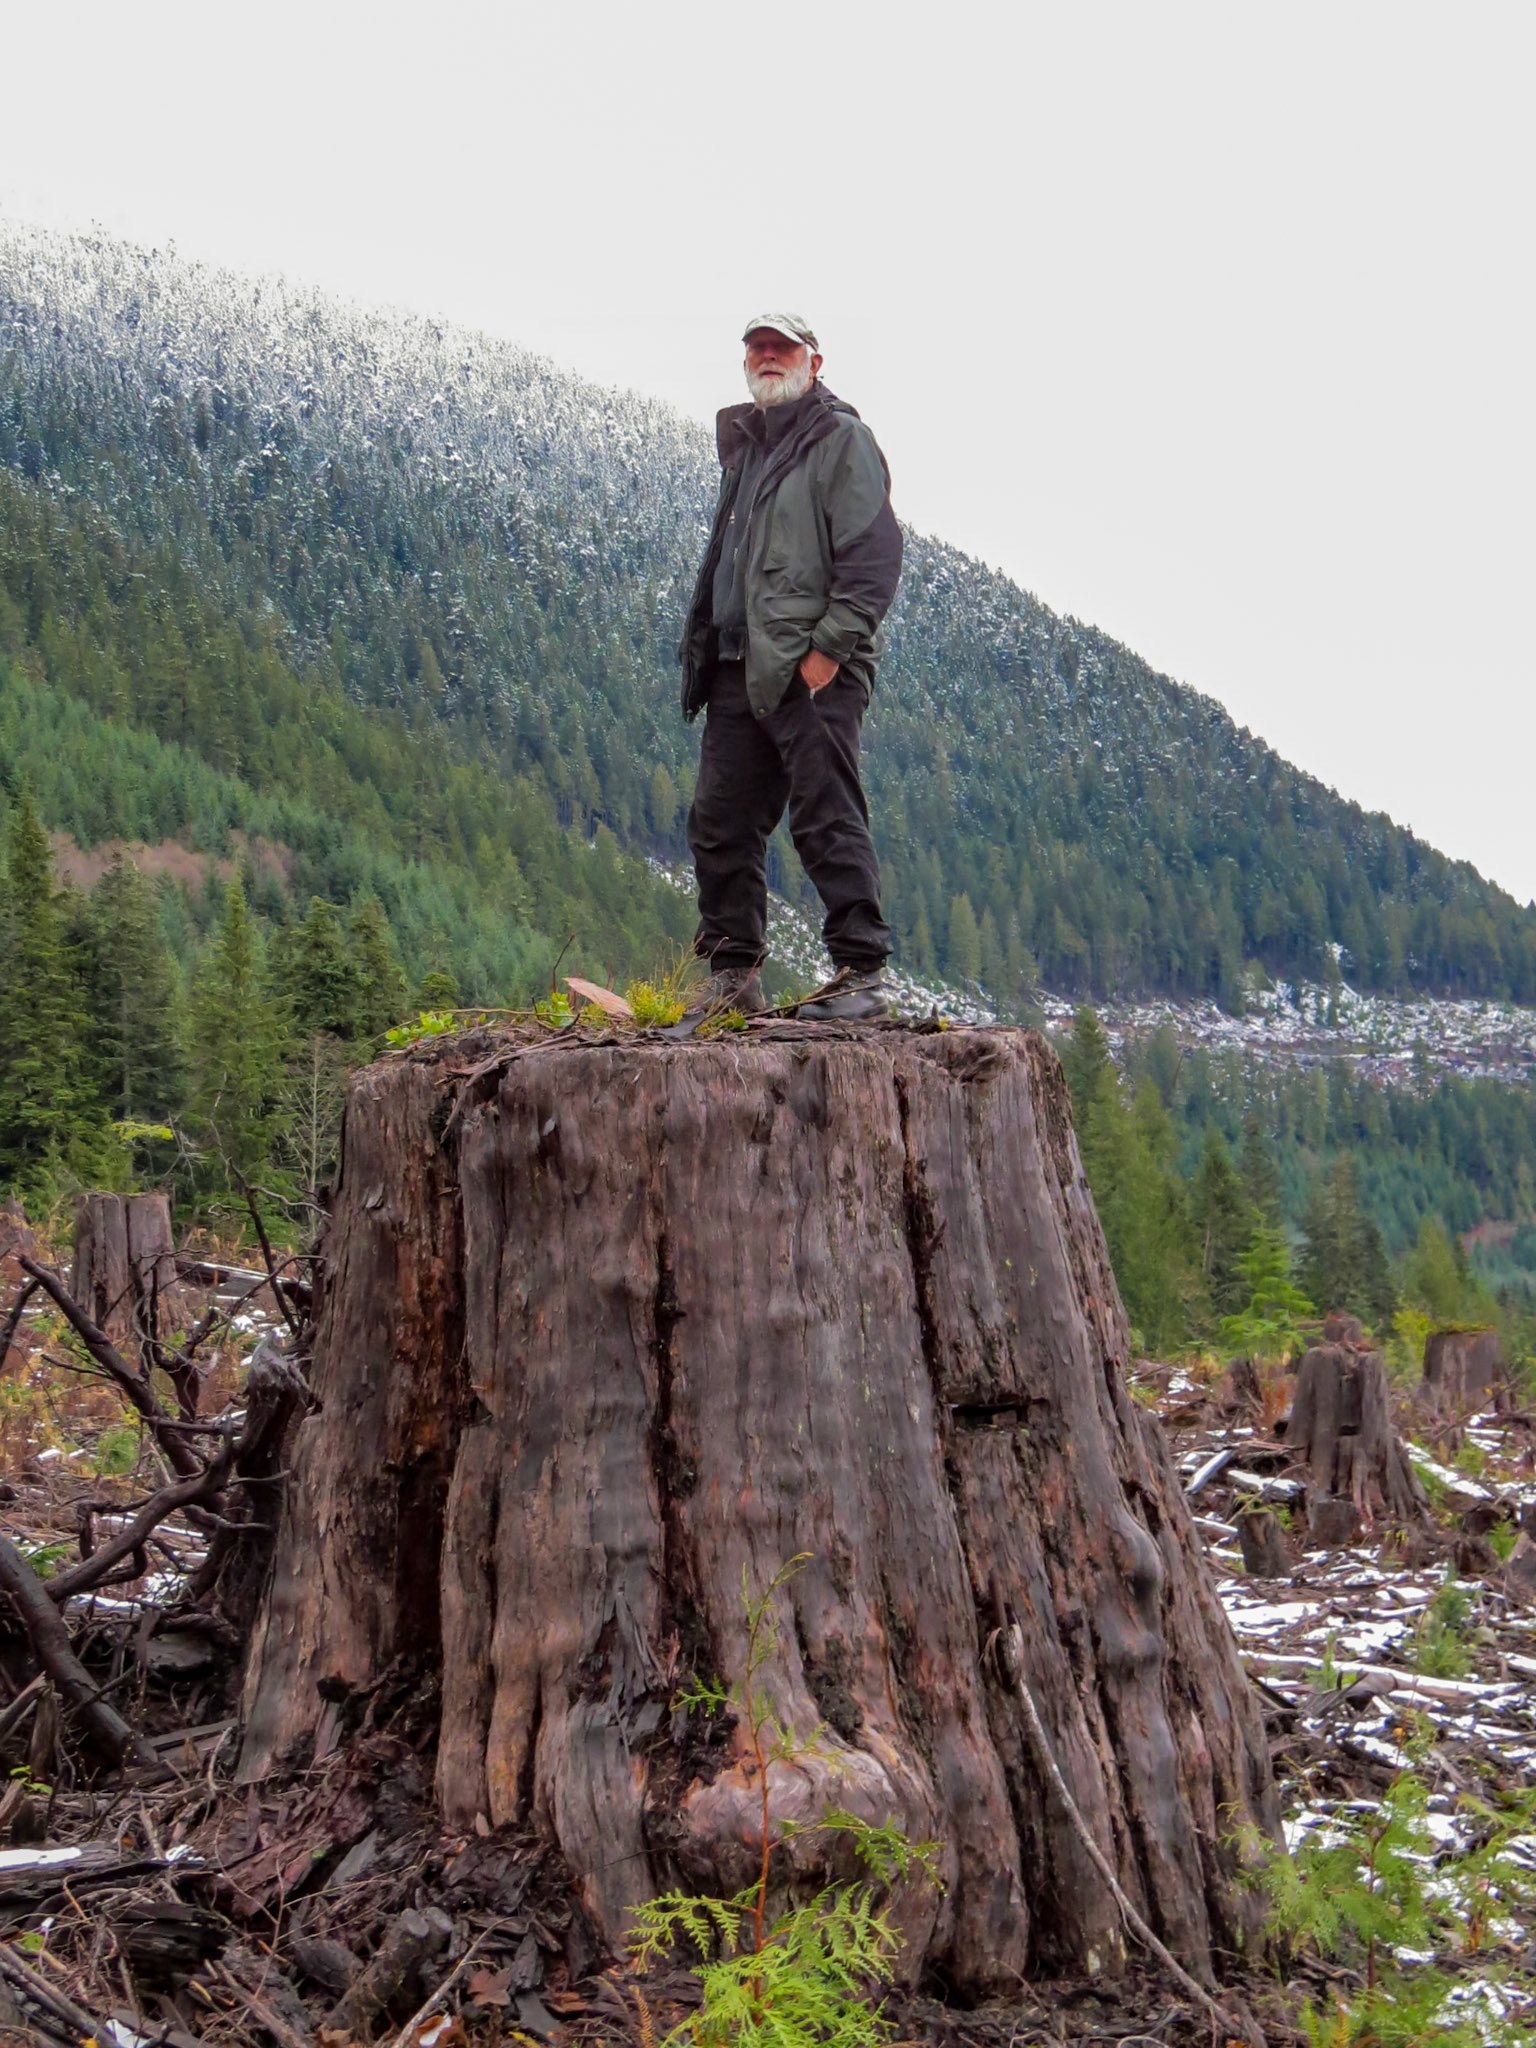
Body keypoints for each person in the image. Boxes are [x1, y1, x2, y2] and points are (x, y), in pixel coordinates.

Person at [674, 314, 903, 1026]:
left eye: (783, 348)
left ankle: (861, 975)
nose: (768, 357)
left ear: (814, 362)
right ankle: (733, 977)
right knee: (720, 822)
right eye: (758, 349)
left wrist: (827, 652)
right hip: (737, 665)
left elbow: (874, 557)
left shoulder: (840, 440)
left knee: (825, 814)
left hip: (812, 670)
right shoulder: (748, 444)